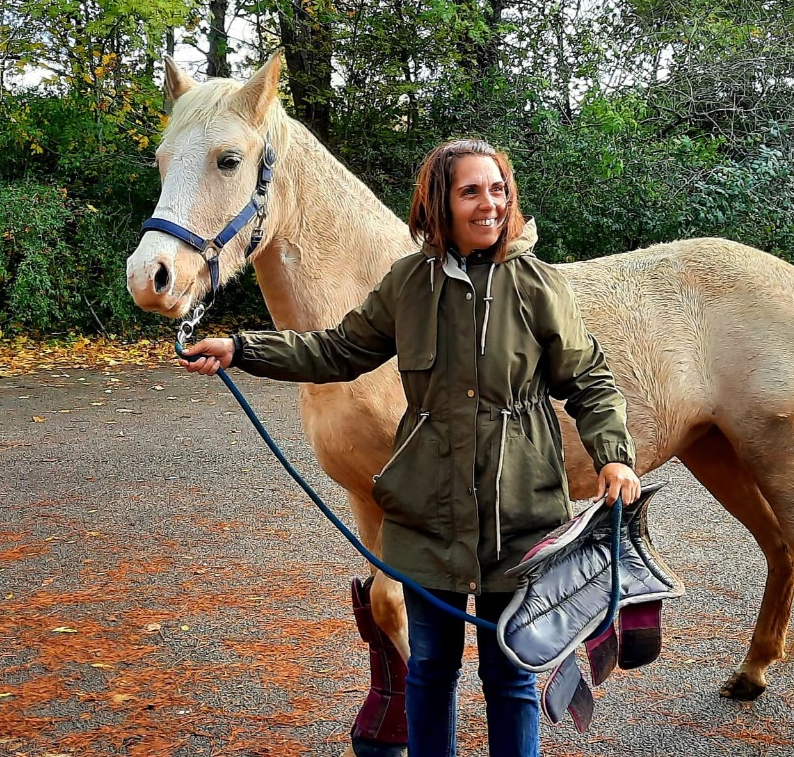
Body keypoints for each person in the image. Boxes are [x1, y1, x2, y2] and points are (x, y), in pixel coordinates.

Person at [181, 138, 640, 757]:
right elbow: (338, 350)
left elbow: (589, 380)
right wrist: (242, 348)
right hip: (428, 514)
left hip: (519, 514)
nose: (489, 204)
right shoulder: (408, 283)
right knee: (429, 670)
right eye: (470, 192)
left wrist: (614, 455)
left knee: (509, 676)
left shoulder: (537, 286)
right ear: (439, 203)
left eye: (498, 189)